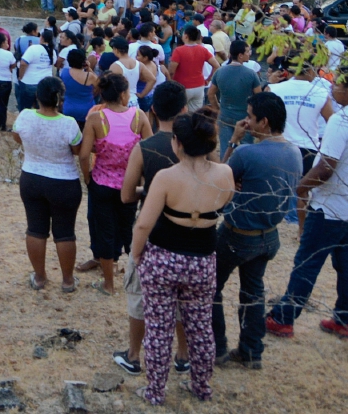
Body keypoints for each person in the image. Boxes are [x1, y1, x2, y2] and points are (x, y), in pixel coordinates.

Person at [267, 68, 348, 341]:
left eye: (338, 86)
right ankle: (344, 320)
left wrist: (299, 189)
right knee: (347, 261)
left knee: (307, 262)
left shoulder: (342, 120)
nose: (332, 89)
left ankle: (283, 319)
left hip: (331, 206)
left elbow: (326, 167)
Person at [130, 108, 234, 405]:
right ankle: (201, 386)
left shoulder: (166, 177)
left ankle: (155, 391)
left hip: (163, 259)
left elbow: (144, 224)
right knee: (201, 328)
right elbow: (224, 204)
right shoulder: (226, 174)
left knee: (159, 329)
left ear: (177, 142)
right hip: (202, 260)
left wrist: (138, 255)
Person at [213, 92, 303, 369]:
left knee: (211, 289)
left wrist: (233, 141)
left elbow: (218, 180)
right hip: (268, 235)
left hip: (237, 234)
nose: (246, 121)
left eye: (250, 117)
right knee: (253, 294)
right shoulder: (295, 151)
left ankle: (218, 349)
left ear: (263, 122)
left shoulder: (247, 152)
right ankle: (252, 351)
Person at [113, 81, 188, 377]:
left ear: (153, 110)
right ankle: (182, 355)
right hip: (188, 233)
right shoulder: (197, 148)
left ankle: (133, 354)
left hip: (153, 229)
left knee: (139, 294)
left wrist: (151, 191)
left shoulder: (144, 148)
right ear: (184, 109)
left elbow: (127, 195)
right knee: (183, 296)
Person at [79, 73, 152, 295]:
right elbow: (149, 150)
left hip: (101, 183)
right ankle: (137, 280)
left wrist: (87, 176)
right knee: (128, 231)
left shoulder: (95, 118)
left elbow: (83, 154)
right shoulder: (139, 117)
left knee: (105, 233)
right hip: (129, 187)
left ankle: (108, 284)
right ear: (123, 94)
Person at [12, 76, 83, 292]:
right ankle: (68, 281)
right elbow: (77, 151)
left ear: (37, 96)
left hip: (32, 177)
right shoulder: (69, 123)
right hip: (64, 182)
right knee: (64, 232)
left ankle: (40, 278)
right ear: (60, 98)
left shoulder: (25, 116)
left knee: (35, 228)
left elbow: (17, 137)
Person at [208, 40, 263, 157]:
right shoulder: (251, 74)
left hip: (225, 115)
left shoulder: (220, 72)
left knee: (225, 148)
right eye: (247, 52)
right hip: (245, 117)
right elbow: (259, 97)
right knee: (246, 148)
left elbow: (211, 94)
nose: (250, 54)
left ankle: (225, 170)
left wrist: (217, 108)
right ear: (240, 55)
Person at [168, 25, 220, 111]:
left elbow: (171, 71)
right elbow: (217, 66)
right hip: (199, 85)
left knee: (180, 112)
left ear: (186, 36)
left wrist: (170, 82)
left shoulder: (178, 50)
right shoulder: (203, 49)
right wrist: (209, 79)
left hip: (182, 86)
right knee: (196, 113)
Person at [17, 30, 55, 111]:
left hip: (30, 82)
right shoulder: (53, 51)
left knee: (25, 108)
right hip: (45, 84)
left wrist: (20, 76)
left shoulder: (33, 48)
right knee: (41, 109)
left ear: (41, 37)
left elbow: (23, 63)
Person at [61, 48, 97, 129]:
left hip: (69, 108)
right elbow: (100, 85)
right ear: (83, 61)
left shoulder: (65, 72)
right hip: (87, 110)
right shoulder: (89, 76)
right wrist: (89, 69)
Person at [108, 37, 143, 109]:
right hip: (134, 100)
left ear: (116, 50)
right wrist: (142, 94)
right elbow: (152, 79)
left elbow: (110, 86)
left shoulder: (115, 66)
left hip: (120, 102)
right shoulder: (138, 63)